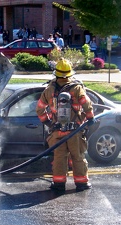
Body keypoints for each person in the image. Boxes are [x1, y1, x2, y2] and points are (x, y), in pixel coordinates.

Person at [36, 58, 96, 192]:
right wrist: (90, 118)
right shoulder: (76, 88)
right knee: (78, 157)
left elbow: (39, 109)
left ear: (56, 73)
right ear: (70, 74)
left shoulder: (49, 90)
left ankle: (59, 184)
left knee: (59, 158)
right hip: (75, 131)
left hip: (57, 132)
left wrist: (48, 123)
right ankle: (81, 184)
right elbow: (86, 104)